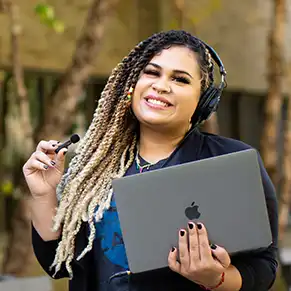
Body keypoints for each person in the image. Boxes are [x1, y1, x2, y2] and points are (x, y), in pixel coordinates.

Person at [23, 30, 278, 291]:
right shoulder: (94, 169)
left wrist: (216, 278)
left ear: (204, 100)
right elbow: (58, 265)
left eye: (180, 79)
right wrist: (44, 196)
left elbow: (264, 267)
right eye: (152, 72)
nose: (161, 85)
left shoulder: (232, 162)